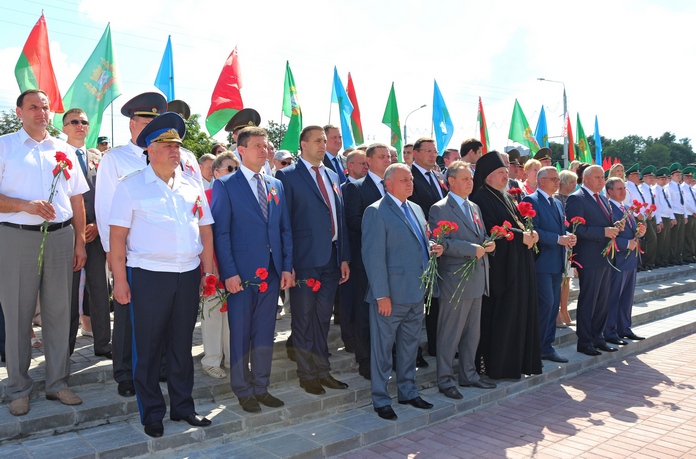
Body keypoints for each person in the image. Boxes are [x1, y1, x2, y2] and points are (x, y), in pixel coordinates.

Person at [110, 112, 214, 438]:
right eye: (166, 144)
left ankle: (183, 407)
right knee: (149, 348)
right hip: (149, 276)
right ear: (149, 149)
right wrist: (120, 280)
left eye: (177, 145)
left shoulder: (192, 185)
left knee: (182, 346)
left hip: (187, 274)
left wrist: (208, 272)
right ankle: (152, 413)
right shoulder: (131, 186)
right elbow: (117, 238)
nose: (174, 150)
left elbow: (205, 230)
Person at [0, 89, 89, 416]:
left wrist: (79, 242)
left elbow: (77, 198)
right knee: (18, 316)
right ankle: (18, 388)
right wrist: (25, 205)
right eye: (33, 107)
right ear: (19, 112)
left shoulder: (64, 149)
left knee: (59, 314)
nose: (41, 112)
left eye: (46, 107)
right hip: (17, 238)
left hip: (61, 238)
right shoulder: (4, 146)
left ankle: (57, 383)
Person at [211, 127, 293, 413]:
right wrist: (229, 273)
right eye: (257, 145)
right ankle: (242, 389)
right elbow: (221, 233)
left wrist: (286, 267)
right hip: (241, 275)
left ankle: (261, 386)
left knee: (264, 332)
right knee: (241, 333)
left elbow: (284, 229)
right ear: (241, 150)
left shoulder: (275, 184)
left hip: (271, 272)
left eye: (266, 145)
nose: (264, 150)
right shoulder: (225, 185)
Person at [95, 92, 167, 399]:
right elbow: (104, 208)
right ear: (132, 124)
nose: (151, 127)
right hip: (129, 251)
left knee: (160, 311)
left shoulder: (169, 156)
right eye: (145, 122)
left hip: (162, 251)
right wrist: (112, 253)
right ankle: (125, 372)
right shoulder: (115, 159)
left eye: (156, 122)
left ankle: (158, 365)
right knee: (126, 313)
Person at [362, 163, 441, 420]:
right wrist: (381, 295)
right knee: (383, 351)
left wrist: (432, 245)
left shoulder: (415, 208)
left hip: (416, 292)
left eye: (411, 179)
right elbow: (373, 256)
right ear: (388, 184)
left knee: (409, 347)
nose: (410, 183)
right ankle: (381, 399)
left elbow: (417, 241)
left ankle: (408, 391)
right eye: (404, 180)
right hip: (390, 296)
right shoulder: (376, 211)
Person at [275, 125, 350, 395]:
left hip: (331, 258)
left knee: (322, 319)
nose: (323, 145)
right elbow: (283, 223)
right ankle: (306, 374)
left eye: (324, 140)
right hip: (304, 260)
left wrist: (344, 257)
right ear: (303, 145)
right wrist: (288, 263)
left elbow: (339, 217)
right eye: (317, 140)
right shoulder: (286, 175)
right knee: (303, 319)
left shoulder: (332, 174)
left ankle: (322, 370)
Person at [470, 151, 542, 380]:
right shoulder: (481, 198)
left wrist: (530, 233)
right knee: (501, 319)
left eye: (505, 172)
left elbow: (516, 224)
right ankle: (498, 368)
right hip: (501, 271)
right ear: (488, 176)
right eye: (501, 173)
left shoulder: (505, 196)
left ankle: (516, 364)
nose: (506, 176)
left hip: (518, 266)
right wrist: (522, 237)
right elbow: (492, 230)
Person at [429, 161, 495, 399]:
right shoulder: (440, 209)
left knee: (472, 333)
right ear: (451, 181)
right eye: (465, 178)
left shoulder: (474, 206)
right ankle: (445, 380)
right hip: (455, 281)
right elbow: (440, 243)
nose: (470, 182)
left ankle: (469, 374)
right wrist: (471, 249)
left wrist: (489, 243)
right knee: (450, 334)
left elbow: (480, 235)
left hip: (477, 277)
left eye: (471, 178)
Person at [62, 108, 112, 359]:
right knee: (68, 294)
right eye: (73, 122)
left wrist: (97, 224)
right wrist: (77, 230)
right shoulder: (56, 154)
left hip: (95, 232)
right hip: (66, 234)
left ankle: (103, 344)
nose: (79, 125)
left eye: (83, 121)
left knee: (100, 290)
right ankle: (65, 348)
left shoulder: (97, 157)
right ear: (64, 128)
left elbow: (106, 194)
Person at [344, 143, 391, 380]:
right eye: (382, 156)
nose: (387, 160)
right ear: (369, 161)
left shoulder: (393, 186)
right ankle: (365, 360)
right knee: (364, 313)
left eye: (389, 156)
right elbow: (352, 221)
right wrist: (385, 228)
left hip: (393, 261)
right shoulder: (356, 188)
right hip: (366, 261)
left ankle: (387, 356)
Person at [565, 165, 621, 356]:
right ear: (586, 178)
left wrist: (614, 227)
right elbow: (575, 229)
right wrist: (603, 232)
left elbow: (603, 223)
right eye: (597, 177)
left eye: (603, 177)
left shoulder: (603, 199)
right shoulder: (577, 198)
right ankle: (585, 341)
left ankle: (598, 338)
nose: (601, 181)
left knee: (602, 301)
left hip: (605, 256)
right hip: (588, 257)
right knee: (589, 300)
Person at [523, 167, 575, 364]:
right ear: (541, 181)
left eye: (557, 179)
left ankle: (547, 346)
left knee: (552, 306)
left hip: (556, 262)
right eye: (553, 179)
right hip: (541, 263)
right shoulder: (531, 200)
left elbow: (560, 228)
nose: (557, 182)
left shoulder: (557, 203)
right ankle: (536, 347)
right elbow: (533, 231)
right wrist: (558, 239)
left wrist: (568, 236)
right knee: (545, 304)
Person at [199, 152, 239, 379]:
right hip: (212, 265)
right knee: (213, 313)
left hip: (236, 265)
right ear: (216, 173)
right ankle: (212, 360)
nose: (234, 173)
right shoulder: (206, 196)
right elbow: (203, 234)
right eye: (229, 169)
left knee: (233, 316)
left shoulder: (242, 195)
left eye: (237, 169)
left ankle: (233, 358)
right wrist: (209, 265)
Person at [408, 137, 447, 362]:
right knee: (419, 303)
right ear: (415, 153)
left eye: (435, 151)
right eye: (428, 151)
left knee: (436, 301)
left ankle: (436, 344)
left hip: (441, 245)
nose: (433, 155)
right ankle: (413, 353)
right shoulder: (410, 177)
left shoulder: (437, 177)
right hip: (421, 245)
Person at [604, 178, 646, 345]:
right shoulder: (608, 209)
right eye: (619, 189)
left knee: (627, 297)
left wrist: (640, 232)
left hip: (630, 260)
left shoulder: (627, 208)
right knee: (614, 297)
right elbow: (608, 236)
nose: (623, 192)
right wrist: (627, 244)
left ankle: (624, 328)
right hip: (618, 260)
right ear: (609, 192)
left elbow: (631, 232)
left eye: (624, 188)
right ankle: (610, 331)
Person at [555, 169, 579, 327]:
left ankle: (564, 310)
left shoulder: (573, 199)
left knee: (567, 279)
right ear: (562, 183)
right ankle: (557, 312)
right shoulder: (555, 199)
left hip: (570, 245)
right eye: (571, 182)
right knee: (558, 280)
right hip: (559, 244)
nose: (574, 185)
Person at [640, 166, 659, 270]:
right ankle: (647, 262)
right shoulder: (641, 189)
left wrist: (658, 220)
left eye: (652, 176)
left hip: (652, 217)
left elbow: (656, 205)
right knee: (650, 239)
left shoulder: (651, 189)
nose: (652, 178)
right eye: (649, 176)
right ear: (643, 178)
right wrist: (646, 215)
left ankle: (650, 262)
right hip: (645, 217)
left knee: (652, 240)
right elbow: (642, 204)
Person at [667, 163, 686, 265]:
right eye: (677, 174)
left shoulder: (680, 187)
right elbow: (669, 203)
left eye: (680, 174)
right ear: (672, 176)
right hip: (675, 213)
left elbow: (684, 202)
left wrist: (685, 215)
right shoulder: (669, 187)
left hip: (681, 213)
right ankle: (672, 258)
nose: (679, 176)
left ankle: (678, 257)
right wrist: (672, 217)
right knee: (674, 237)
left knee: (680, 237)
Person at [681, 166, 696, 263]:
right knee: (688, 236)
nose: (690, 179)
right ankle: (686, 255)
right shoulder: (683, 188)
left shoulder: (691, 189)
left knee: (693, 236)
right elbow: (686, 203)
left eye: (691, 177)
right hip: (688, 214)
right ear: (684, 178)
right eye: (687, 177)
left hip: (693, 214)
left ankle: (691, 254)